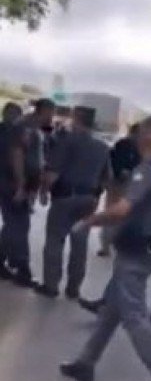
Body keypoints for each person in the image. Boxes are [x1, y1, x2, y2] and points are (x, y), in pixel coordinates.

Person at [59, 116, 151, 381]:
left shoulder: (148, 171)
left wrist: (90, 221)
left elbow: (122, 210)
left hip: (135, 251)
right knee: (112, 311)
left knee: (134, 316)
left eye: (139, 135)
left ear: (146, 138)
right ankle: (86, 362)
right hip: (150, 248)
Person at [35, 106, 110, 299]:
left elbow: (52, 173)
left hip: (65, 197)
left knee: (55, 240)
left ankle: (51, 286)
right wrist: (96, 198)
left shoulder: (66, 141)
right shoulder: (102, 147)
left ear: (76, 119)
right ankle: (73, 288)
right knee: (80, 243)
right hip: (89, 199)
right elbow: (107, 178)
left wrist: (43, 191)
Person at [2, 98, 56, 287]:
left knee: (13, 224)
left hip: (21, 185)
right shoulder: (24, 127)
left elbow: (36, 159)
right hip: (12, 184)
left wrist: (37, 186)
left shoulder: (35, 130)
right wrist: (21, 184)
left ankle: (2, 261)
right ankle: (22, 269)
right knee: (19, 224)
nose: (52, 118)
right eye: (50, 113)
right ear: (41, 111)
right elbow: (16, 155)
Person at [100, 124, 141, 256]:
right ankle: (106, 244)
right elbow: (114, 162)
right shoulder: (122, 145)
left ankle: (117, 243)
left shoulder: (141, 149)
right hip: (118, 184)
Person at [0, 102, 24, 280]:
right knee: (12, 224)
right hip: (7, 184)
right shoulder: (15, 133)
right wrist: (21, 184)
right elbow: (16, 159)